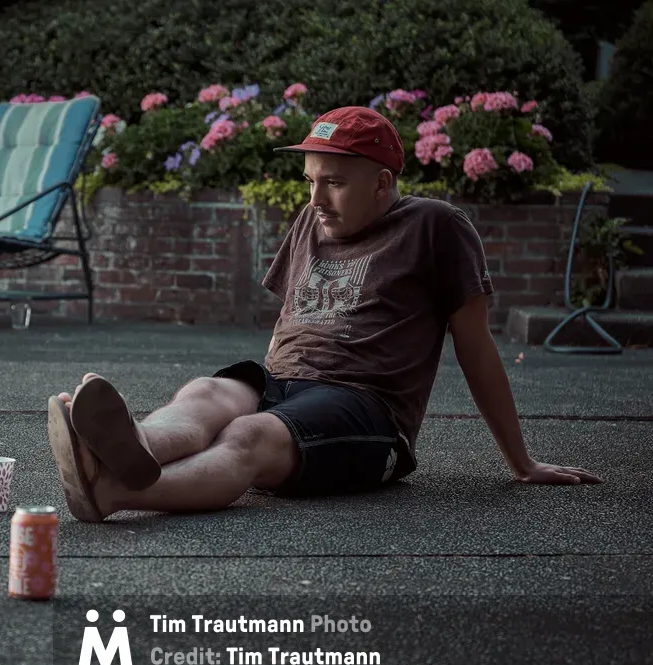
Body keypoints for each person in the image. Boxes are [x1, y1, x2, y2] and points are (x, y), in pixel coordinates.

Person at [48, 105, 603, 523]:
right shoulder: (312, 220)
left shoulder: (436, 227)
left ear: (382, 183)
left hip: (367, 410)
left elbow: (477, 347)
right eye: (311, 181)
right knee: (206, 393)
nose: (317, 199)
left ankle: (113, 493)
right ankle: (132, 446)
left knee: (246, 435)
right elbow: (290, 316)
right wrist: (263, 380)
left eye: (334, 183)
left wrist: (521, 462)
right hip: (288, 382)